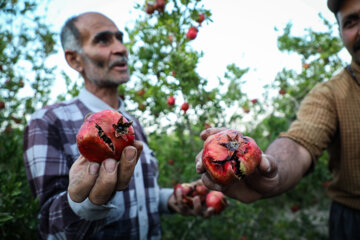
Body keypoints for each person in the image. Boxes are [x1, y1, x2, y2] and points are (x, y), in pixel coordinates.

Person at [24, 12, 214, 240]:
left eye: (119, 38)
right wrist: (87, 204)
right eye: (103, 40)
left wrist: (171, 200)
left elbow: (143, 195)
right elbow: (49, 222)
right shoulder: (47, 121)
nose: (121, 48)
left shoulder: (132, 124)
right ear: (75, 60)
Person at [195, 0, 360, 239]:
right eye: (350, 22)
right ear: (340, 33)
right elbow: (299, 142)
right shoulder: (330, 95)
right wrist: (271, 170)